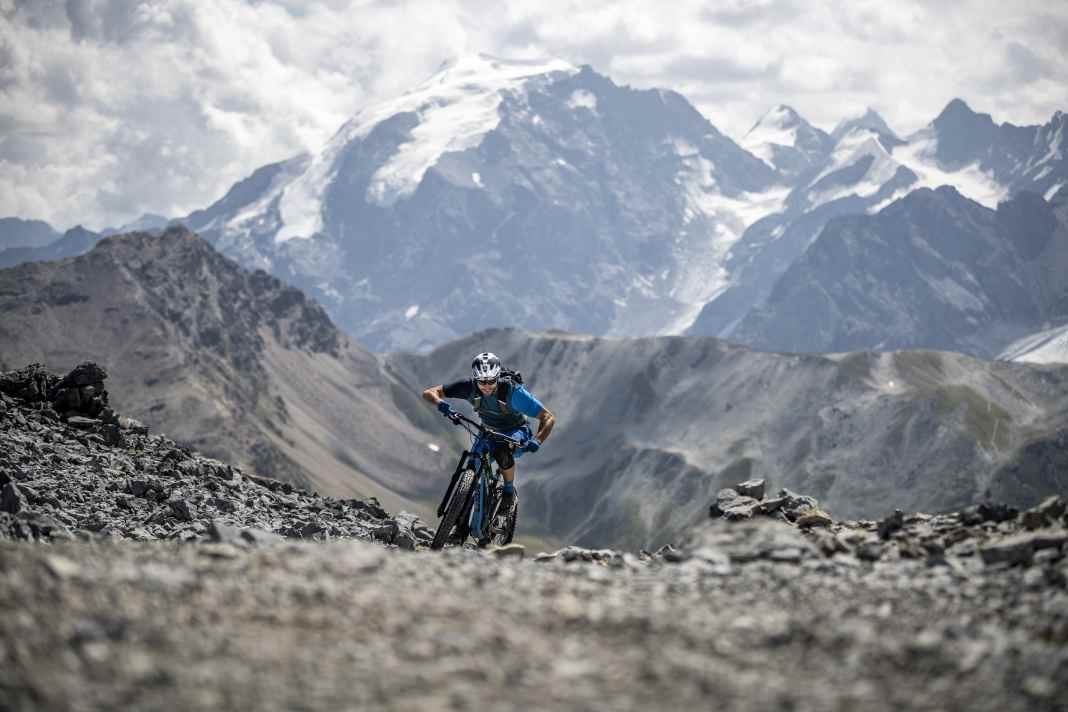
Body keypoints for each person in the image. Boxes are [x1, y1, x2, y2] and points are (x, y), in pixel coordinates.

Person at [422, 352, 555, 513]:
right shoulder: (468, 387)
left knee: (502, 452)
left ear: (498, 377)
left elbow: (548, 417)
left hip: (516, 430)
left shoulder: (513, 392)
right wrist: (441, 404)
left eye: (491, 381)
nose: (486, 386)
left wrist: (537, 440)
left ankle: (507, 492)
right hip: (487, 430)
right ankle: (459, 524)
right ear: (475, 378)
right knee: (473, 463)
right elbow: (429, 392)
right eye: (481, 381)